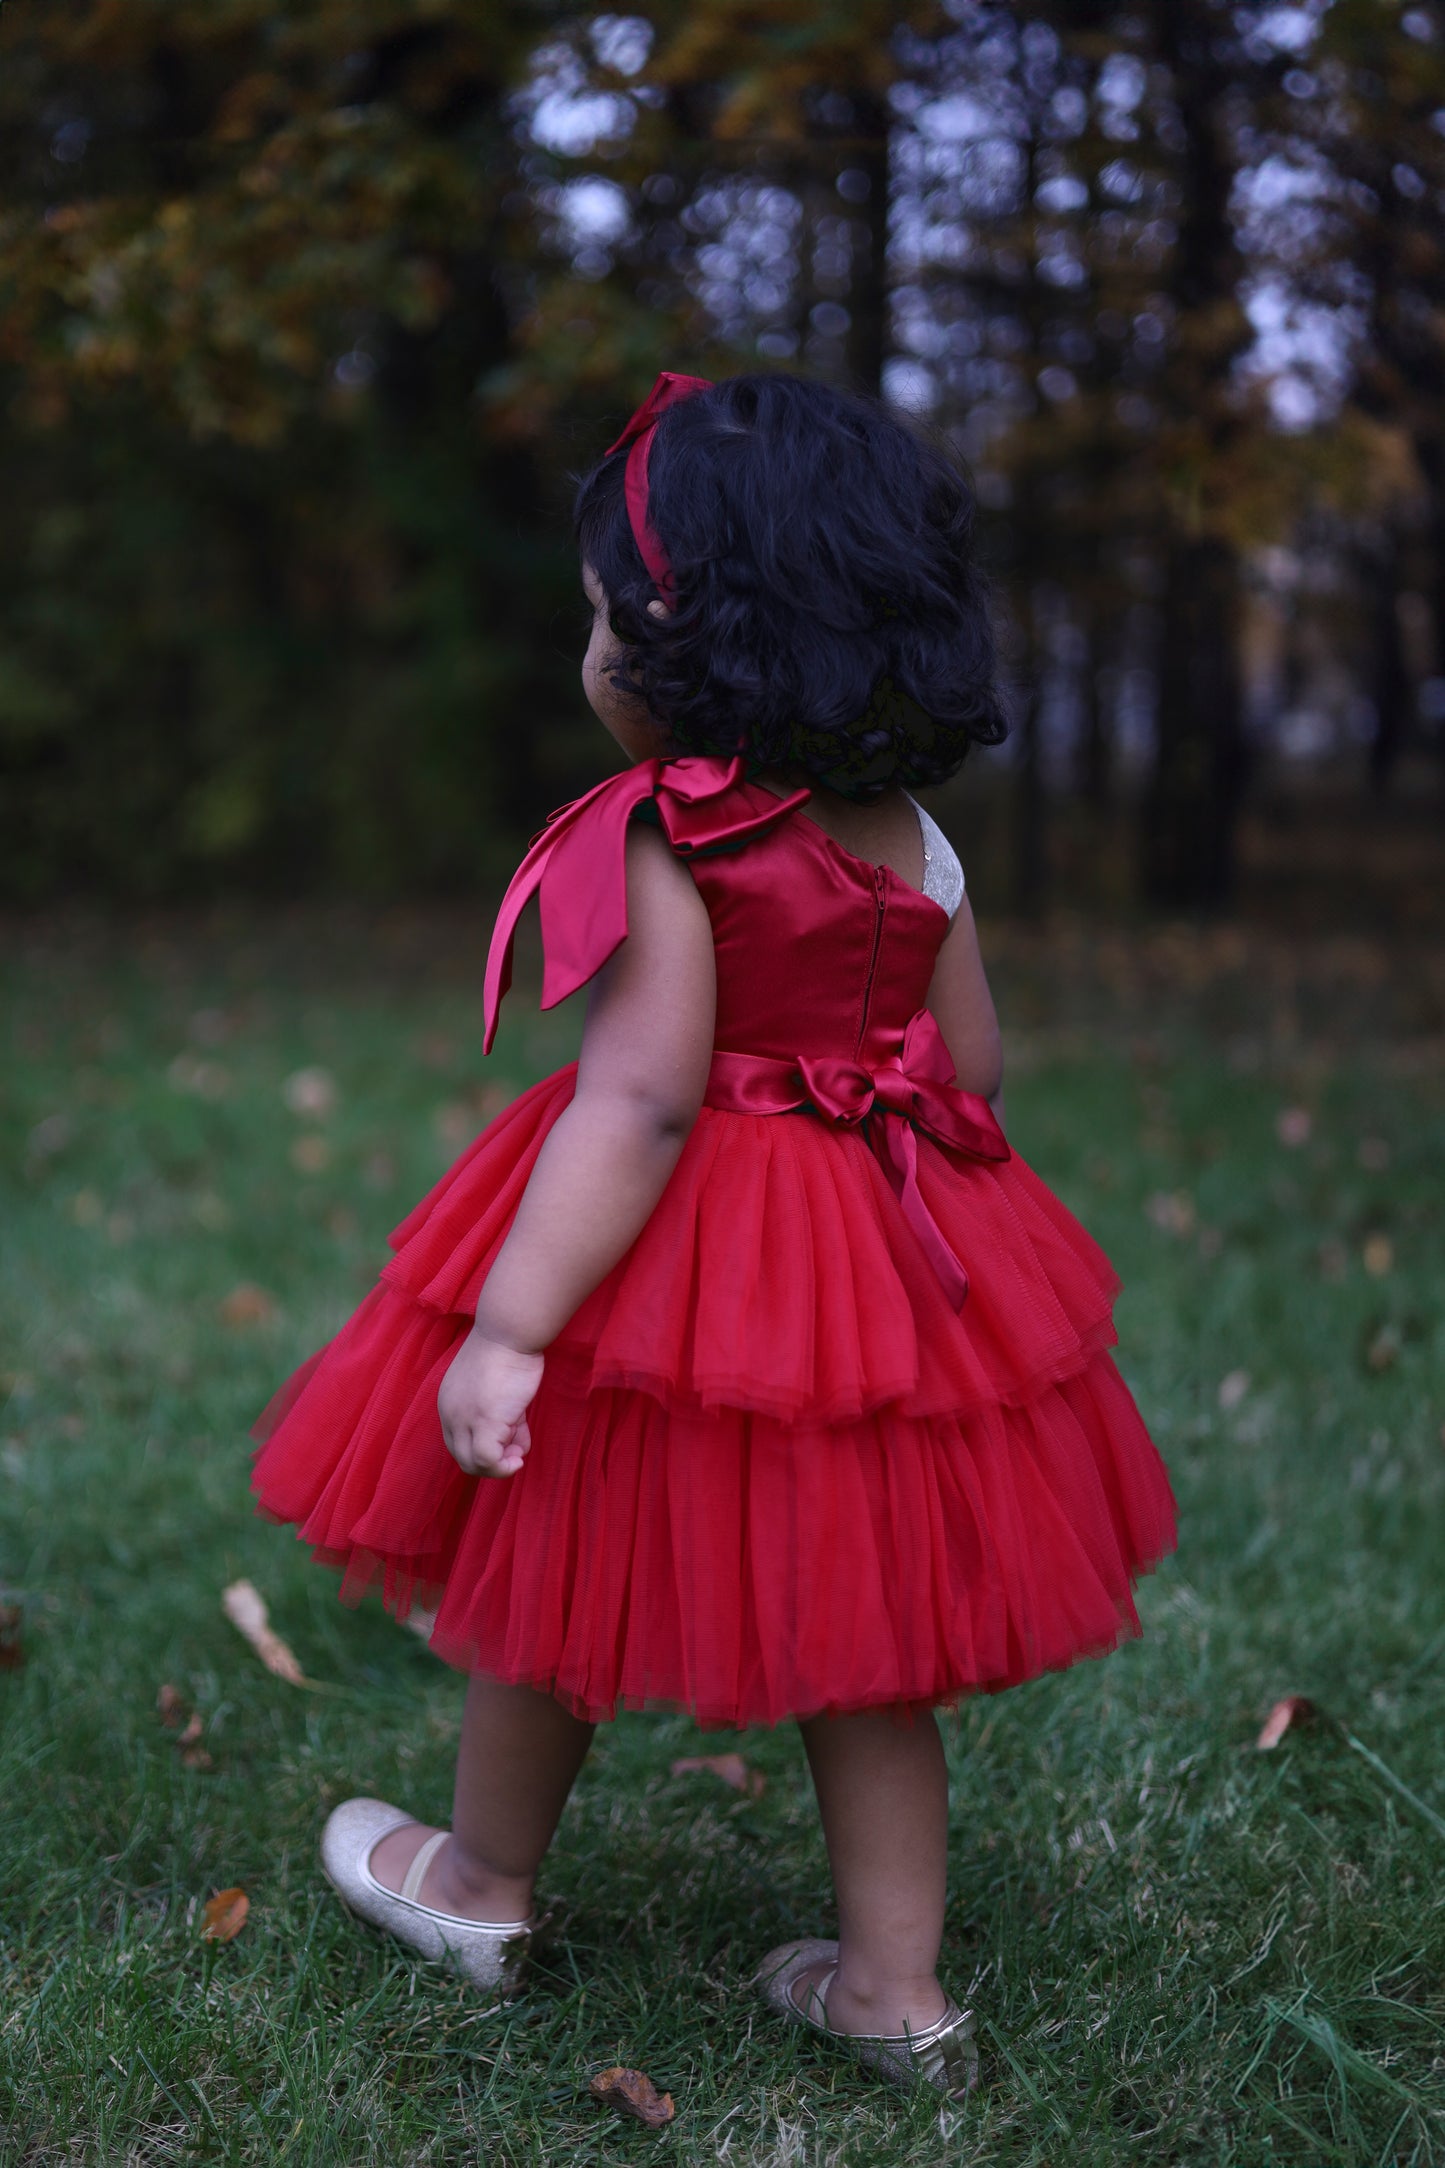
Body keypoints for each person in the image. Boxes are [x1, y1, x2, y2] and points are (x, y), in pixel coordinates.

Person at [251, 371, 1176, 2103]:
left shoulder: (675, 835)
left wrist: (515, 1321)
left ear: (681, 643)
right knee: (867, 1631)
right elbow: (963, 1070)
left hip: (671, 1261)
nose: (589, 651)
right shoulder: (911, 835)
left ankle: (480, 1885)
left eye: (605, 617)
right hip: (873, 1252)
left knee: (558, 1567)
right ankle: (892, 1991)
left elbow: (639, 1104)